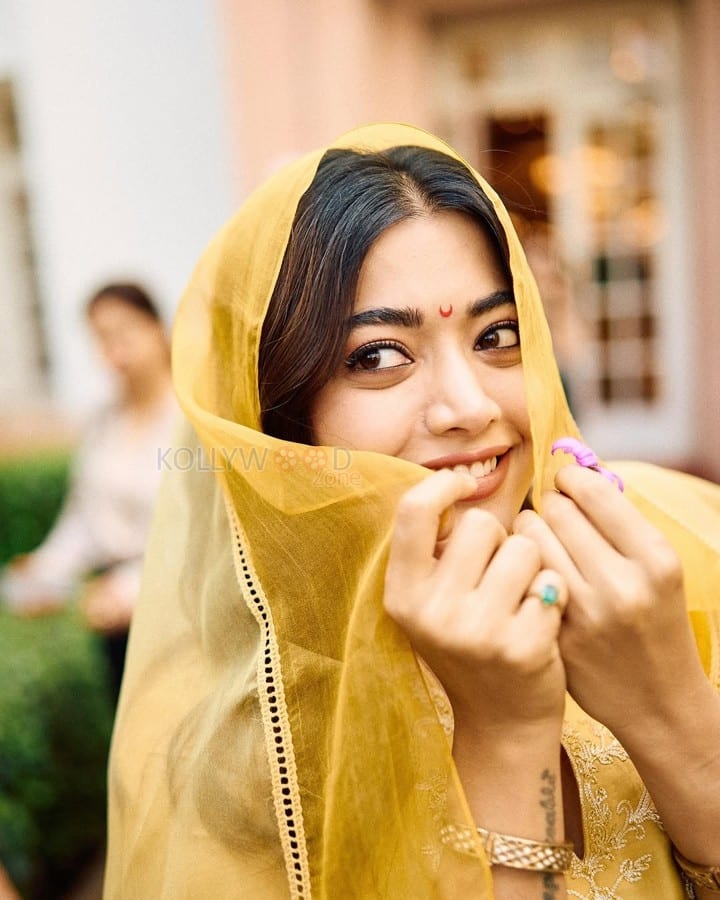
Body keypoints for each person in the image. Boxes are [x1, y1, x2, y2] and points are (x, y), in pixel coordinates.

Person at [105, 125, 720, 899]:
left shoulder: (667, 564)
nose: (469, 407)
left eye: (498, 335)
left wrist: (676, 719)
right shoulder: (248, 757)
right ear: (280, 423)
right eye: (378, 356)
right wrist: (504, 736)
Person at [1, 283, 177, 697]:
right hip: (114, 622)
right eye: (101, 338)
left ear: (157, 328)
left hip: (179, 614)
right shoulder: (102, 423)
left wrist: (134, 587)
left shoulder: (189, 422)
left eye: (124, 334)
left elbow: (207, 531)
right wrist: (45, 571)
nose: (114, 352)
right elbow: (84, 518)